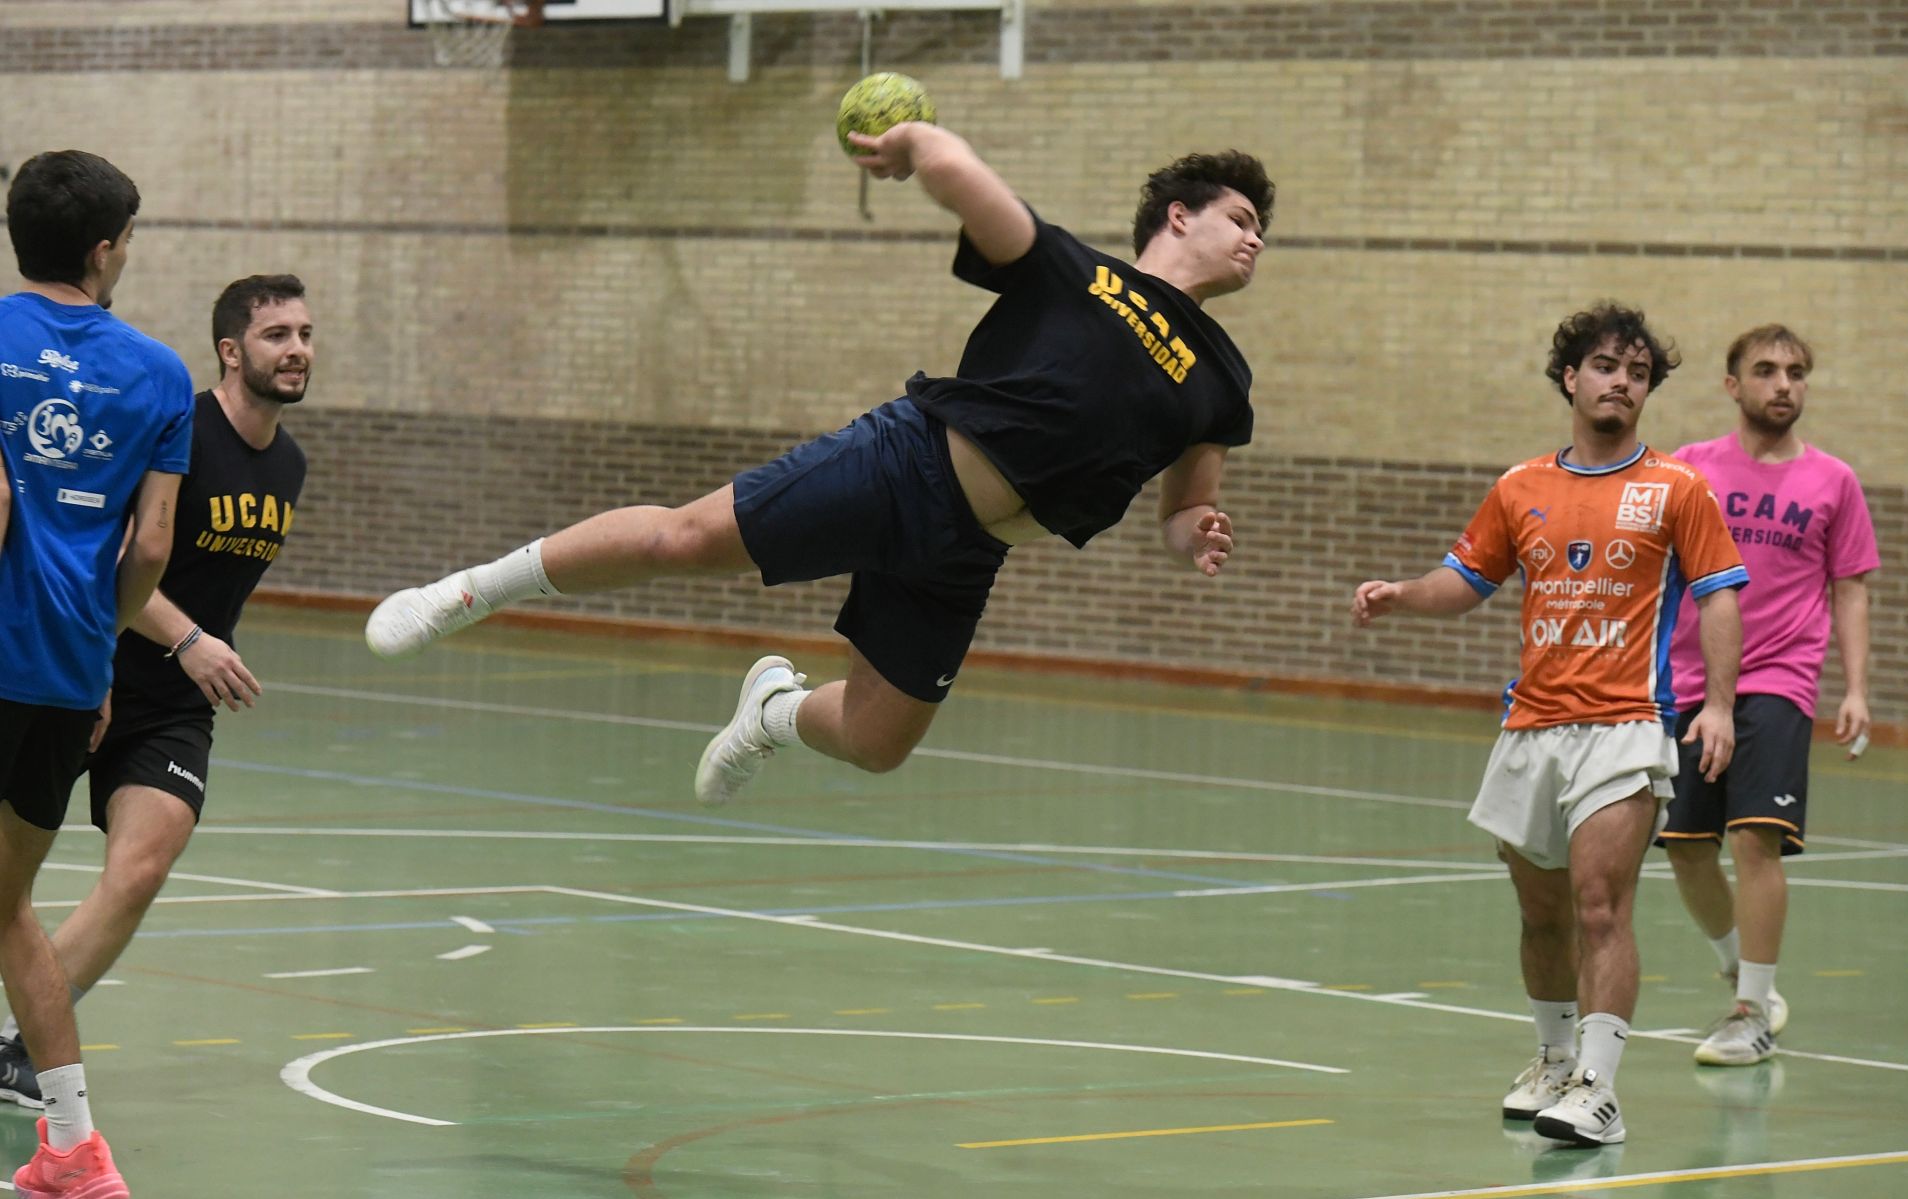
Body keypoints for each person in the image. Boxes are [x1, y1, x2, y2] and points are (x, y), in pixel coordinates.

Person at [366, 124, 1271, 805]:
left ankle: (768, 714)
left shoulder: (1225, 379)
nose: (1255, 237)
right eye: (1239, 216)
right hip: (904, 463)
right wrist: (917, 141)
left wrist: (1195, 536)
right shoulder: (1083, 273)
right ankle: (471, 591)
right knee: (686, 540)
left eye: (1262, 228)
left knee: (878, 742)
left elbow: (1181, 507)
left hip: (970, 547)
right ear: (1178, 215)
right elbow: (973, 187)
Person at [1350, 302, 1748, 1147]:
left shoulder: (1678, 489)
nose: (1622, 384)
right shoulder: (1519, 486)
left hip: (1627, 725)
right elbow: (1466, 578)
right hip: (1531, 727)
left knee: (1601, 904)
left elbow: (1719, 594)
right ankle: (1555, 1058)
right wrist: (1402, 594)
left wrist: (1717, 702)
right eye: (1607, 366)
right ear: (1571, 377)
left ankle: (1600, 1090)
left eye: (1638, 374)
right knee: (1541, 914)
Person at [0, 275, 312, 1109]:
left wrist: (196, 649)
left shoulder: (288, 463)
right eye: (277, 334)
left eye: (306, 334)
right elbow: (117, 553)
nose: (297, 350)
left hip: (174, 703)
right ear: (230, 350)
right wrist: (183, 637)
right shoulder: (181, 425)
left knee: (141, 867)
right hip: (88, 669)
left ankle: (23, 1046)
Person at [0, 150, 195, 1199]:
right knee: (7, 905)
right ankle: (72, 1148)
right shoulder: (161, 375)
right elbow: (153, 545)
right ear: (104, 249)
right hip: (70, 671)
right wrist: (95, 646)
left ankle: (75, 1147)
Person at [1657, 324, 1878, 1067]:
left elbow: (1850, 589)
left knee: (1755, 838)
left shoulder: (1833, 482)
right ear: (1733, 386)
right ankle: (1738, 964)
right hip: (1691, 681)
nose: (1784, 384)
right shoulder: (1688, 470)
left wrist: (1855, 688)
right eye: (1766, 370)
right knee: (1687, 848)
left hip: (1780, 680)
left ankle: (1751, 1007)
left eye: (1796, 372)